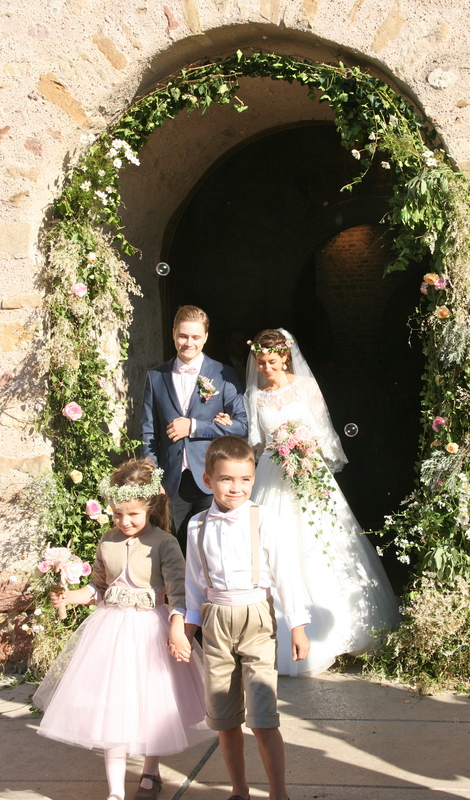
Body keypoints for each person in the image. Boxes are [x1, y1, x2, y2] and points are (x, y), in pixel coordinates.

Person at [33, 458, 214, 800]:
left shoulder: (164, 543)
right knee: (112, 709)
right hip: (112, 633)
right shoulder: (108, 541)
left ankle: (150, 770)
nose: (124, 521)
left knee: (152, 703)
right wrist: (70, 596)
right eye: (117, 514)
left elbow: (179, 594)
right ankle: (115, 791)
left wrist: (178, 630)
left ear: (150, 507)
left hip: (151, 632)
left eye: (132, 514)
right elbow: (99, 588)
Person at [244, 328, 400, 676]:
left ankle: (340, 630)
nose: (266, 369)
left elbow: (325, 432)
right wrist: (276, 450)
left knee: (321, 543)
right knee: (274, 547)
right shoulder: (254, 396)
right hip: (271, 473)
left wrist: (304, 447)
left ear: (285, 356)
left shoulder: (305, 387)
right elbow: (256, 442)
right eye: (261, 363)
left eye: (271, 362)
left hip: (308, 470)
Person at [183, 435, 310, 800]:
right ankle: (239, 790)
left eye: (245, 480)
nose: (236, 488)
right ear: (208, 480)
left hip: (256, 619)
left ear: (254, 479)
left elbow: (286, 575)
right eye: (226, 479)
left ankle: (278, 792)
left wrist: (297, 626)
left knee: (264, 718)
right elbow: (194, 582)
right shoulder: (196, 525)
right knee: (225, 720)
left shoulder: (264, 520)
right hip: (215, 621)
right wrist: (188, 629)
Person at [140, 305, 248, 556]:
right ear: (173, 334)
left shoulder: (223, 374)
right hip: (171, 482)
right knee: (175, 551)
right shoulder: (156, 377)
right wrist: (153, 477)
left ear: (206, 337)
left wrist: (194, 427)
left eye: (195, 337)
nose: (189, 343)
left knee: (213, 549)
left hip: (213, 477)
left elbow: (242, 426)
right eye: (183, 336)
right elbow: (148, 432)